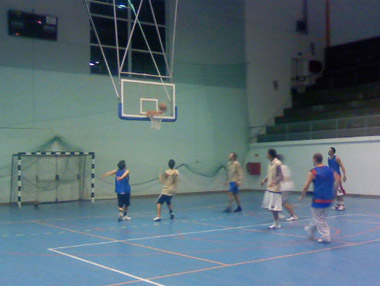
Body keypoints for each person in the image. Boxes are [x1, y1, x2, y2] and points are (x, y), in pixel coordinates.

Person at [299, 153, 339, 243]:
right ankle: (310, 231)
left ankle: (326, 236)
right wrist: (335, 193)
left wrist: (302, 195)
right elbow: (338, 180)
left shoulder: (313, 171)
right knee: (318, 217)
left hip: (318, 199)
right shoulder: (331, 170)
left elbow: (306, 186)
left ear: (314, 159)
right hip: (328, 198)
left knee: (319, 219)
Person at [261, 149, 283, 229]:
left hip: (275, 189)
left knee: (273, 207)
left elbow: (280, 176)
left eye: (267, 153)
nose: (266, 155)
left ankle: (277, 222)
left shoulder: (277, 163)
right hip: (270, 188)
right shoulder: (270, 163)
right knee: (270, 207)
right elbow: (270, 174)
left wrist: (274, 182)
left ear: (270, 154)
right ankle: (276, 220)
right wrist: (265, 180)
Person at [277, 155, 298, 221]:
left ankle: (293, 215)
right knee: (280, 201)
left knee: (284, 202)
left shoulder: (281, 168)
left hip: (285, 187)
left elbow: (286, 177)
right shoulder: (283, 167)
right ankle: (278, 214)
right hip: (284, 187)